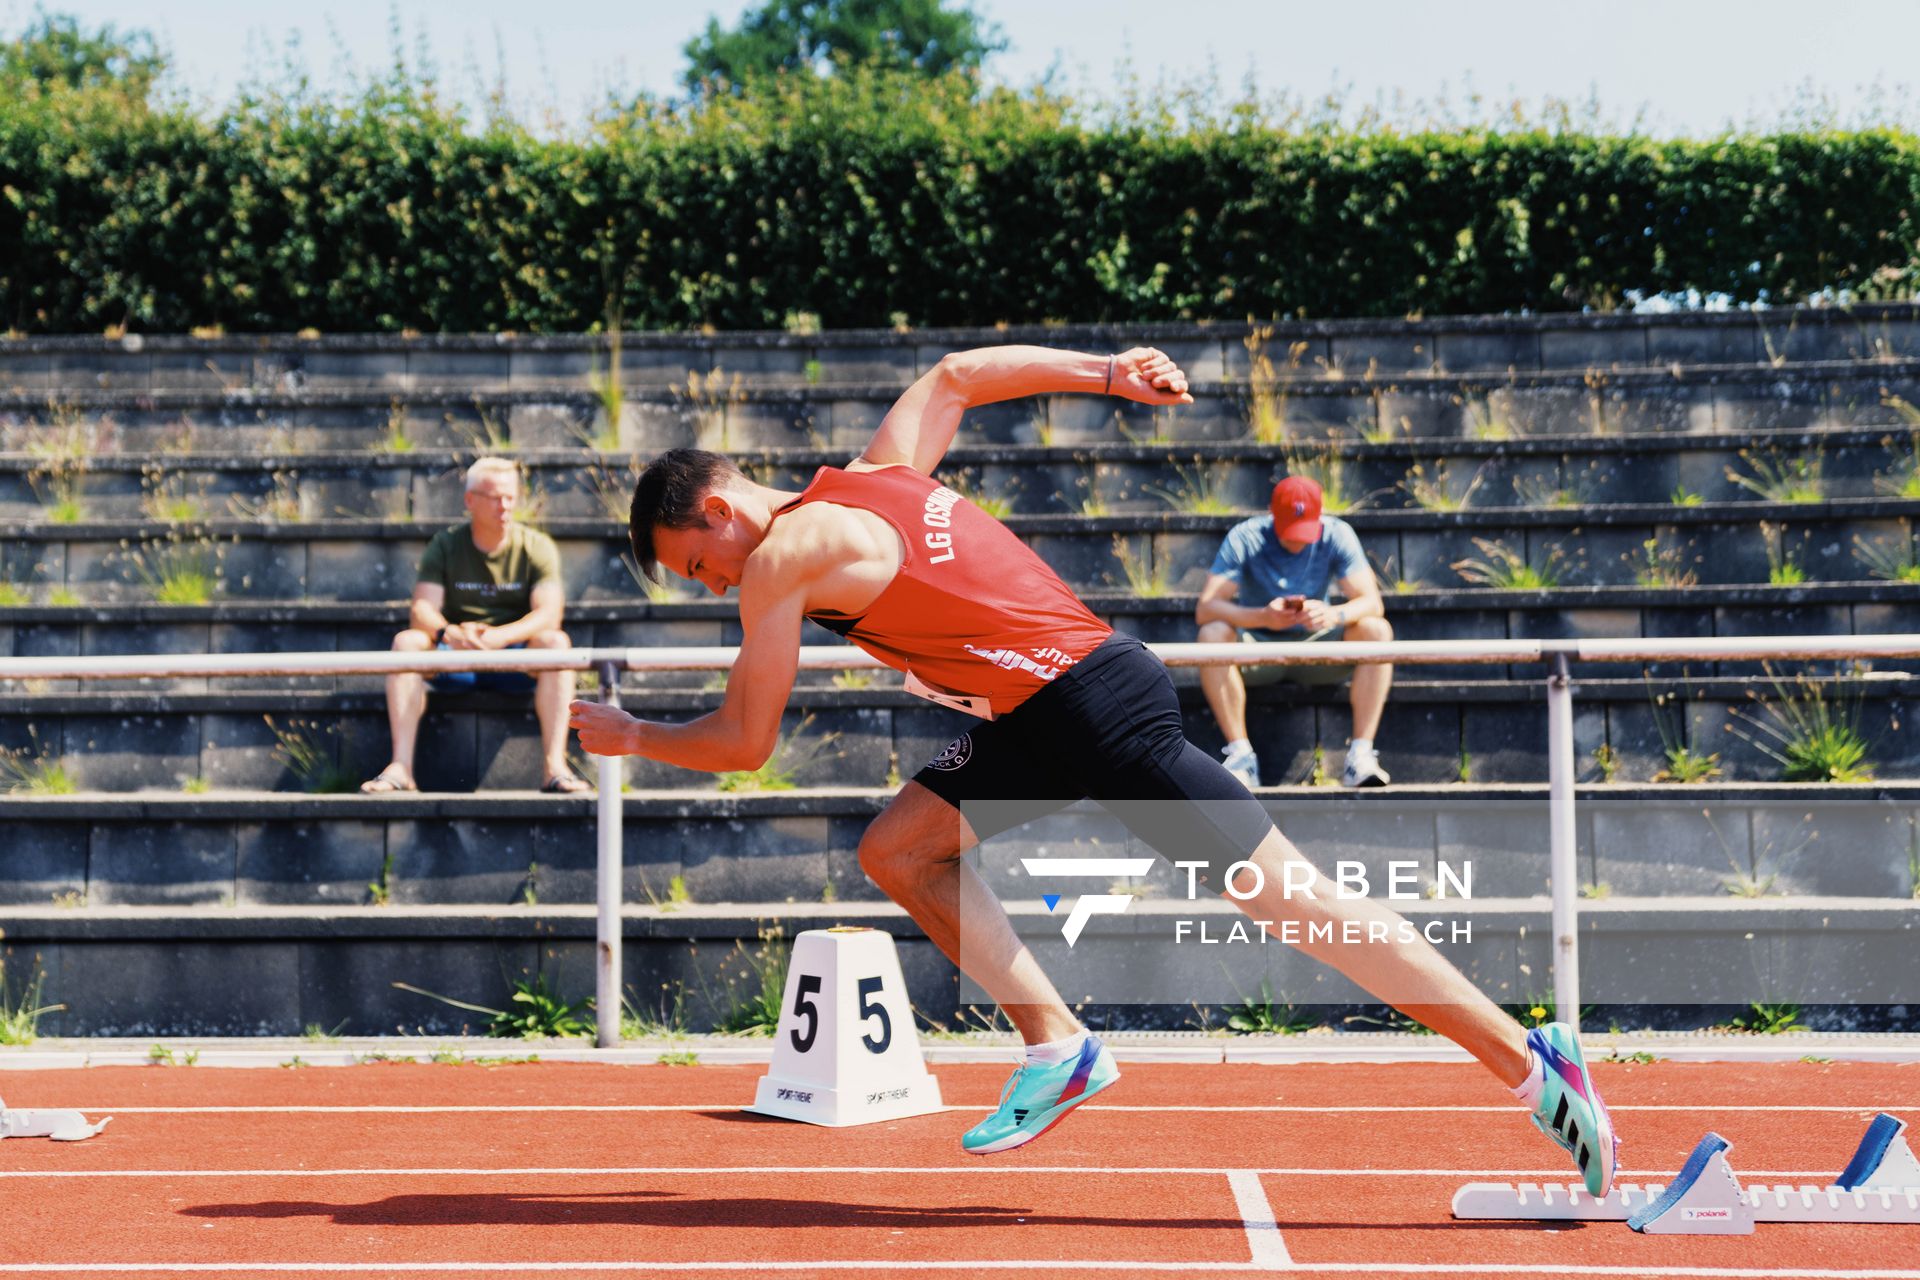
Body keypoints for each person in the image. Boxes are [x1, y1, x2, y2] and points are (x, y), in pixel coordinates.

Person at [571, 346, 1617, 1192]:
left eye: (696, 563)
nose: (713, 583)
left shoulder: (776, 561)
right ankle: (1058, 1044)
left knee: (1300, 905)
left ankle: (1533, 1061)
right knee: (900, 849)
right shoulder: (879, 473)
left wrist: (635, 734)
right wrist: (1110, 372)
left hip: (1097, 708)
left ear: (712, 511)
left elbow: (746, 742)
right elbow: (955, 377)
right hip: (1049, 708)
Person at [362, 457, 590, 795]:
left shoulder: (535, 546)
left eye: (511, 496)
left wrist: (500, 637)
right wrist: (447, 633)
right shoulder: (446, 544)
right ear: (470, 500)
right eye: (495, 497)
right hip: (456, 654)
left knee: (556, 643)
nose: (506, 505)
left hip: (514, 656)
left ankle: (554, 767)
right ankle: (401, 767)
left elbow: (549, 614)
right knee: (407, 642)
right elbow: (422, 608)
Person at [1197, 475, 1394, 789]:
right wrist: (1262, 616)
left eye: (1305, 531)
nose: (1297, 540)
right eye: (1289, 529)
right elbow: (1206, 608)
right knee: (1212, 634)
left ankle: (1361, 755)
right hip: (1258, 647)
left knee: (1376, 631)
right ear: (1271, 514)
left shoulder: (1337, 533)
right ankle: (1240, 755)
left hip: (1317, 646)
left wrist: (1333, 614)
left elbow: (1372, 603)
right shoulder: (1245, 536)